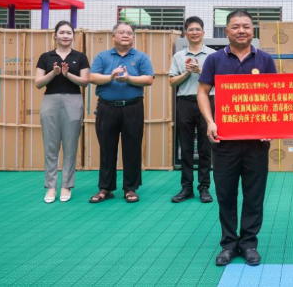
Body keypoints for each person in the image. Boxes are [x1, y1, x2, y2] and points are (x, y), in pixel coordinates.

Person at [197, 10, 278, 267]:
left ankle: (249, 243)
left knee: (254, 194)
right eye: (235, 26)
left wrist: (272, 126)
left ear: (253, 30)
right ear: (227, 31)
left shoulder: (265, 59)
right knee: (226, 194)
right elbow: (202, 91)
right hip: (224, 140)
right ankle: (229, 244)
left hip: (257, 142)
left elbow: (275, 95)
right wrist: (210, 121)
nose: (241, 30)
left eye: (246, 26)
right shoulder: (214, 60)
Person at [88, 23, 154, 204]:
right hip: (106, 108)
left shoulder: (141, 57)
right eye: (122, 32)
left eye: (129, 33)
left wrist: (129, 78)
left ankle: (130, 188)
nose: (126, 35)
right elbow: (92, 77)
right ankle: (105, 188)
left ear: (133, 37)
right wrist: (111, 76)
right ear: (113, 36)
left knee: (132, 148)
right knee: (106, 148)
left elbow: (149, 79)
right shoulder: (103, 56)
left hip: (133, 108)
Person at [35, 21, 90, 203]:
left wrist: (67, 75)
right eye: (62, 32)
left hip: (73, 100)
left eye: (68, 32)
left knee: (70, 145)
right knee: (50, 146)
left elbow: (85, 82)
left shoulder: (80, 57)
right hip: (50, 100)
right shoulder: (46, 57)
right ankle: (51, 187)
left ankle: (66, 185)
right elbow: (38, 83)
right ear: (55, 35)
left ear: (73, 36)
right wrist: (54, 73)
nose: (65, 36)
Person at [169, 16, 215, 204]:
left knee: (205, 147)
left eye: (197, 29)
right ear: (186, 34)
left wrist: (200, 71)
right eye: (191, 30)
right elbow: (172, 82)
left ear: (203, 33)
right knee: (186, 147)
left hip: (207, 102)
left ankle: (204, 187)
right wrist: (187, 72)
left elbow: (219, 81)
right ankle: (186, 187)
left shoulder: (212, 55)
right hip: (185, 102)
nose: (194, 33)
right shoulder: (179, 57)